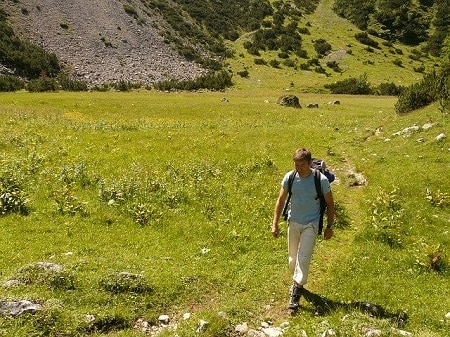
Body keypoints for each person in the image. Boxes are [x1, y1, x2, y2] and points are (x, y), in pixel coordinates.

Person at [271, 148, 335, 310]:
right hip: (293, 222)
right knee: (293, 260)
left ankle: (296, 293)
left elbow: (330, 204)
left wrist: (329, 226)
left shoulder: (320, 180)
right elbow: (280, 200)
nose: (299, 168)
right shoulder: (290, 177)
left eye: (302, 165)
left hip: (311, 224)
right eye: (296, 165)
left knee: (303, 257)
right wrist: (275, 223)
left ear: (310, 163)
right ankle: (298, 279)